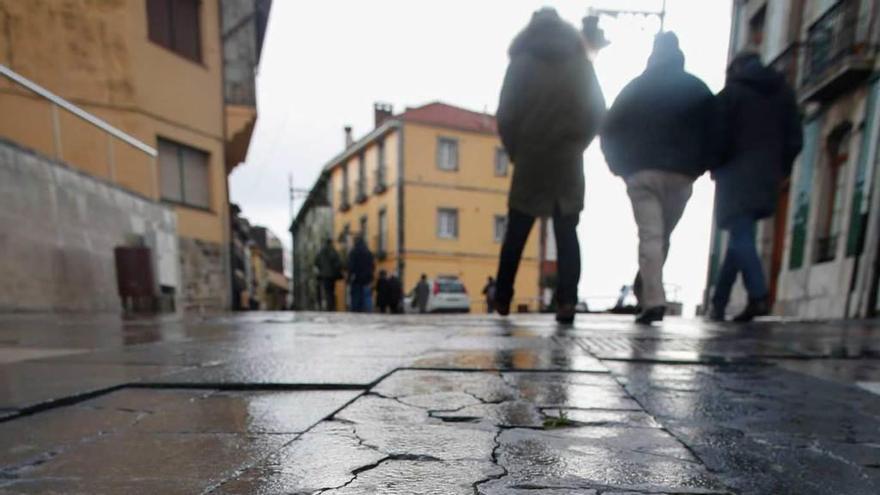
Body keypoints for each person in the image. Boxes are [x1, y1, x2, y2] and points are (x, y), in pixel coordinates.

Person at [495, 9, 607, 325]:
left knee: (517, 228)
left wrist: (517, 149)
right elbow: (598, 111)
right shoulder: (581, 64)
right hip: (567, 157)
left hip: (531, 154)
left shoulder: (520, 64)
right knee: (567, 230)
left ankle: (503, 296)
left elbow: (505, 114)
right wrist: (578, 143)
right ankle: (567, 300)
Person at [600, 31, 716, 325]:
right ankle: (652, 295)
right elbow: (716, 129)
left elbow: (609, 127)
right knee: (662, 235)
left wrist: (619, 166)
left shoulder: (636, 88)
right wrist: (701, 164)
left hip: (641, 172)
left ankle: (649, 294)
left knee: (651, 235)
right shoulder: (696, 88)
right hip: (681, 174)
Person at [710, 52, 803, 322]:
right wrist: (782, 169)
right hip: (768, 174)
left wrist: (715, 166)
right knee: (741, 236)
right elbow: (795, 138)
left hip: (735, 174)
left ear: (737, 68)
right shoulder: (784, 93)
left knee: (741, 235)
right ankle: (719, 301)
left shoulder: (732, 95)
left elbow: (718, 136)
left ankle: (758, 295)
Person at [347, 236, 375, 312]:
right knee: (367, 296)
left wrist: (349, 278)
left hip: (357, 278)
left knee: (356, 296)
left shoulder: (353, 252)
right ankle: (369, 311)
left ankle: (356, 311)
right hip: (367, 278)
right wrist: (371, 276)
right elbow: (372, 266)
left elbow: (350, 266)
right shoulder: (369, 253)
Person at [314, 238, 343, 311]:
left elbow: (316, 262)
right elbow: (337, 262)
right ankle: (331, 306)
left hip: (324, 275)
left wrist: (322, 269)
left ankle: (328, 306)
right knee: (331, 291)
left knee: (327, 291)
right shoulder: (332, 251)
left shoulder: (321, 251)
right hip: (332, 275)